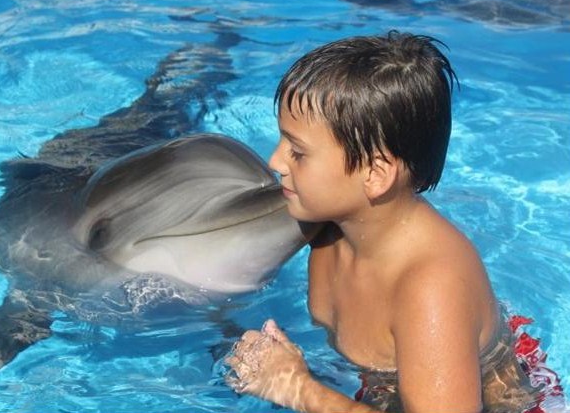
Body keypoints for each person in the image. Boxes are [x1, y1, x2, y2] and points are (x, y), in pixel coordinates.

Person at [225, 31, 565, 412]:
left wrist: (299, 389)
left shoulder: (431, 291)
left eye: (298, 152)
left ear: (375, 174)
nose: (274, 162)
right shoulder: (331, 229)